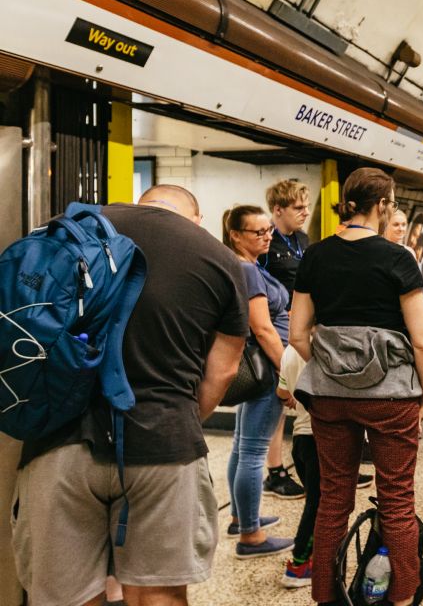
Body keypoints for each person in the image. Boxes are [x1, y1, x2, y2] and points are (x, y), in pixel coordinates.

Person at [12, 185, 248, 606]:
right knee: (156, 594)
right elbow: (225, 368)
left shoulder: (70, 231)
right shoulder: (219, 257)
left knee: (66, 597)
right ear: (194, 219)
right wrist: (180, 417)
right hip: (163, 444)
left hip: (57, 442)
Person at [289, 167, 423, 606]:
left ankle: (327, 597)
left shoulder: (315, 255)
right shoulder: (398, 258)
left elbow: (298, 335)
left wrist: (335, 367)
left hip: (330, 398)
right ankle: (402, 598)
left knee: (333, 498)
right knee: (396, 499)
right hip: (391, 397)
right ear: (384, 205)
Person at [223, 205, 295, 558]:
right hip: (267, 367)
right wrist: (289, 376)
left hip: (261, 366)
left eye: (269, 231)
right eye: (258, 232)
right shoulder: (246, 270)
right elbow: (263, 329)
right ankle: (250, 537)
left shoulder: (247, 266)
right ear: (236, 234)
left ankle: (241, 517)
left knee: (242, 444)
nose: (268, 237)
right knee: (253, 451)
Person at [260, 179, 310, 499]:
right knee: (276, 402)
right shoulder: (266, 244)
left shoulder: (302, 239)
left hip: (301, 330)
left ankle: (315, 462)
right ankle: (274, 472)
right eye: (298, 208)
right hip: (274, 329)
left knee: (304, 400)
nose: (305, 212)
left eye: (307, 206)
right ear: (278, 210)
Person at [275, 344, 316, 588]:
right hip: (317, 439)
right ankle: (299, 565)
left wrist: (293, 397)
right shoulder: (320, 348)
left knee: (315, 500)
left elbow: (281, 393)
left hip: (300, 439)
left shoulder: (289, 351)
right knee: (318, 506)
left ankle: (318, 555)